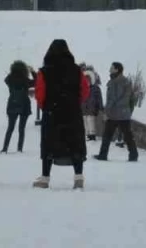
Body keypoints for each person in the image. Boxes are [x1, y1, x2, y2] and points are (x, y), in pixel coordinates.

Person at [34, 39, 90, 189]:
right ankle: (78, 177)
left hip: (52, 114)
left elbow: (40, 94)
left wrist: (46, 106)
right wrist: (74, 103)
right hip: (72, 113)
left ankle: (45, 178)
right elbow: (85, 91)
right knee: (75, 144)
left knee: (49, 145)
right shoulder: (77, 71)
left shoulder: (44, 71)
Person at [96, 62, 138, 162]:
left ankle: (103, 155)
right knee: (127, 136)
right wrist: (128, 111)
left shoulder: (116, 82)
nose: (109, 69)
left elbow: (113, 99)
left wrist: (106, 112)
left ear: (117, 70)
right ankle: (133, 155)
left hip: (115, 114)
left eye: (111, 68)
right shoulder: (125, 81)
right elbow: (131, 99)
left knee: (107, 135)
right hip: (124, 114)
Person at [3, 60, 34, 153]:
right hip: (24, 104)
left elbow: (6, 79)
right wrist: (32, 71)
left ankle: (5, 148)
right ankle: (19, 148)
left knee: (10, 128)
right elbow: (36, 81)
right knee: (21, 128)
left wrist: (12, 72)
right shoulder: (25, 80)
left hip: (12, 103)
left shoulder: (10, 79)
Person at [82, 67, 103, 142]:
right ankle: (87, 134)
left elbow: (99, 98)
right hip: (84, 108)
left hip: (92, 108)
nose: (87, 80)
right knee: (85, 121)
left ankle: (92, 135)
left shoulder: (95, 88)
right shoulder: (82, 88)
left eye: (88, 79)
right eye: (85, 79)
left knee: (90, 120)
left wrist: (100, 108)